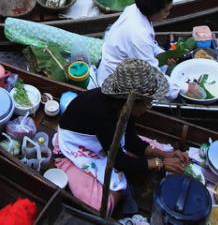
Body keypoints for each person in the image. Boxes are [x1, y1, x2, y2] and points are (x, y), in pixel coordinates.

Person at [55, 59, 189, 214]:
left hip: (106, 140)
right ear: (132, 102)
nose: (148, 108)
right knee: (100, 206)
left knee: (151, 153)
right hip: (77, 143)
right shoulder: (102, 114)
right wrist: (161, 163)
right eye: (147, 103)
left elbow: (131, 140)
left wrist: (164, 154)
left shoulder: (124, 107)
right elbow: (118, 161)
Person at [95, 0, 197, 100]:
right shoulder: (138, 34)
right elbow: (151, 76)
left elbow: (149, 45)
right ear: (154, 10)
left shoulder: (134, 9)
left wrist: (162, 54)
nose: (167, 14)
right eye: (166, 11)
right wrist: (185, 88)